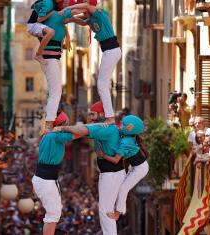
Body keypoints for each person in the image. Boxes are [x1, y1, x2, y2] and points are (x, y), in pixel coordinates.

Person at [53, 101, 126, 235]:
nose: (91, 117)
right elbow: (85, 129)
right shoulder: (104, 126)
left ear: (102, 114)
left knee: (105, 211)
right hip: (111, 173)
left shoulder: (106, 128)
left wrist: (61, 128)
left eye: (93, 114)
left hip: (111, 173)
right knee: (105, 210)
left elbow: (82, 130)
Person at [27, 3, 85, 132]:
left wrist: (88, 20)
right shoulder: (57, 13)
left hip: (52, 58)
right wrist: (90, 7)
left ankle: (49, 122)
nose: (65, 3)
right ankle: (49, 123)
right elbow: (75, 12)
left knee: (56, 92)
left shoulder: (58, 16)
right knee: (56, 92)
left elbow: (77, 19)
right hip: (50, 59)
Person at [69, 0, 122, 124]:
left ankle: (109, 116)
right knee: (104, 84)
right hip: (109, 51)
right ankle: (108, 113)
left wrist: (67, 10)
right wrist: (69, 19)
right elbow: (82, 21)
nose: (84, 14)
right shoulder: (92, 19)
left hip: (111, 50)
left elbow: (86, 7)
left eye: (85, 12)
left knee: (102, 84)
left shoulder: (99, 13)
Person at [97, 115, 149, 220]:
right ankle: (121, 208)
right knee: (121, 186)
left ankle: (118, 213)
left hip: (140, 169)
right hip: (135, 167)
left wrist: (104, 156)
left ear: (129, 128)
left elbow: (116, 160)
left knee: (123, 188)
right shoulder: (127, 137)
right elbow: (115, 131)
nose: (120, 125)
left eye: (122, 124)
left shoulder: (126, 142)